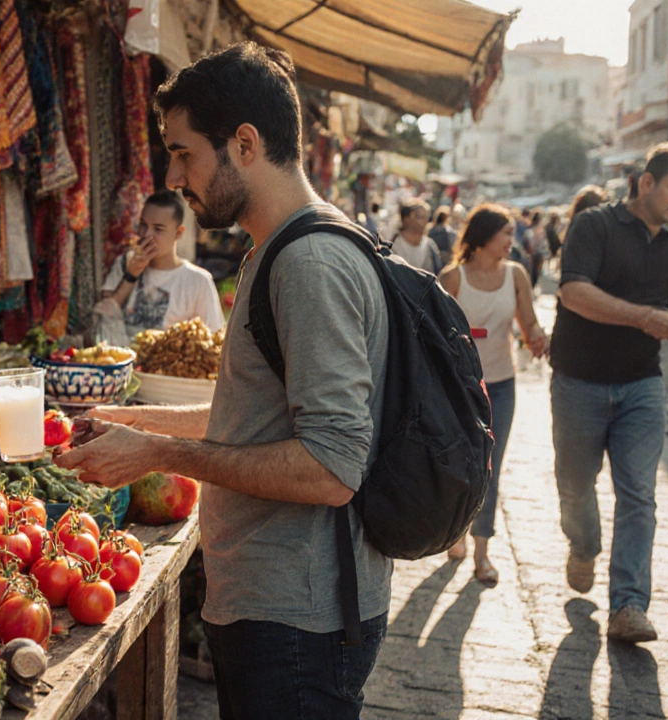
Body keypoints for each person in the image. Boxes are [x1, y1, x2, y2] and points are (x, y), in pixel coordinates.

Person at [56, 42, 391, 718]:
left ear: (243, 143)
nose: (174, 176)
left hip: (299, 619)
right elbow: (255, 419)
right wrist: (139, 426)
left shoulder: (309, 265)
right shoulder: (282, 250)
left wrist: (158, 454)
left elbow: (331, 467)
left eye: (183, 153)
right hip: (275, 605)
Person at [551, 142, 668, 644]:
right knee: (576, 486)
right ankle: (583, 546)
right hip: (579, 382)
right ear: (646, 184)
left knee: (639, 495)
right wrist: (643, 316)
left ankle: (628, 605)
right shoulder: (594, 225)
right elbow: (572, 292)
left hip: (643, 385)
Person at [438, 205, 548, 586]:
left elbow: (528, 321)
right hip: (458, 390)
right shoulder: (452, 279)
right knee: (457, 464)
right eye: (505, 234)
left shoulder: (515, 274)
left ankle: (481, 552)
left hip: (500, 385)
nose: (511, 241)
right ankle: (454, 532)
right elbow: (432, 334)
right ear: (483, 237)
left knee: (490, 468)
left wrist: (537, 337)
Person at [100, 190, 225, 337]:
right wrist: (131, 276)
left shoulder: (198, 281)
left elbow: (214, 339)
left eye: (158, 229)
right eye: (143, 225)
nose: (146, 235)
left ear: (178, 233)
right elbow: (102, 322)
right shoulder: (124, 264)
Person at [389, 198, 442, 274]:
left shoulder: (430, 246)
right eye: (421, 217)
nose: (426, 221)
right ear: (407, 219)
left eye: (427, 217)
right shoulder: (393, 245)